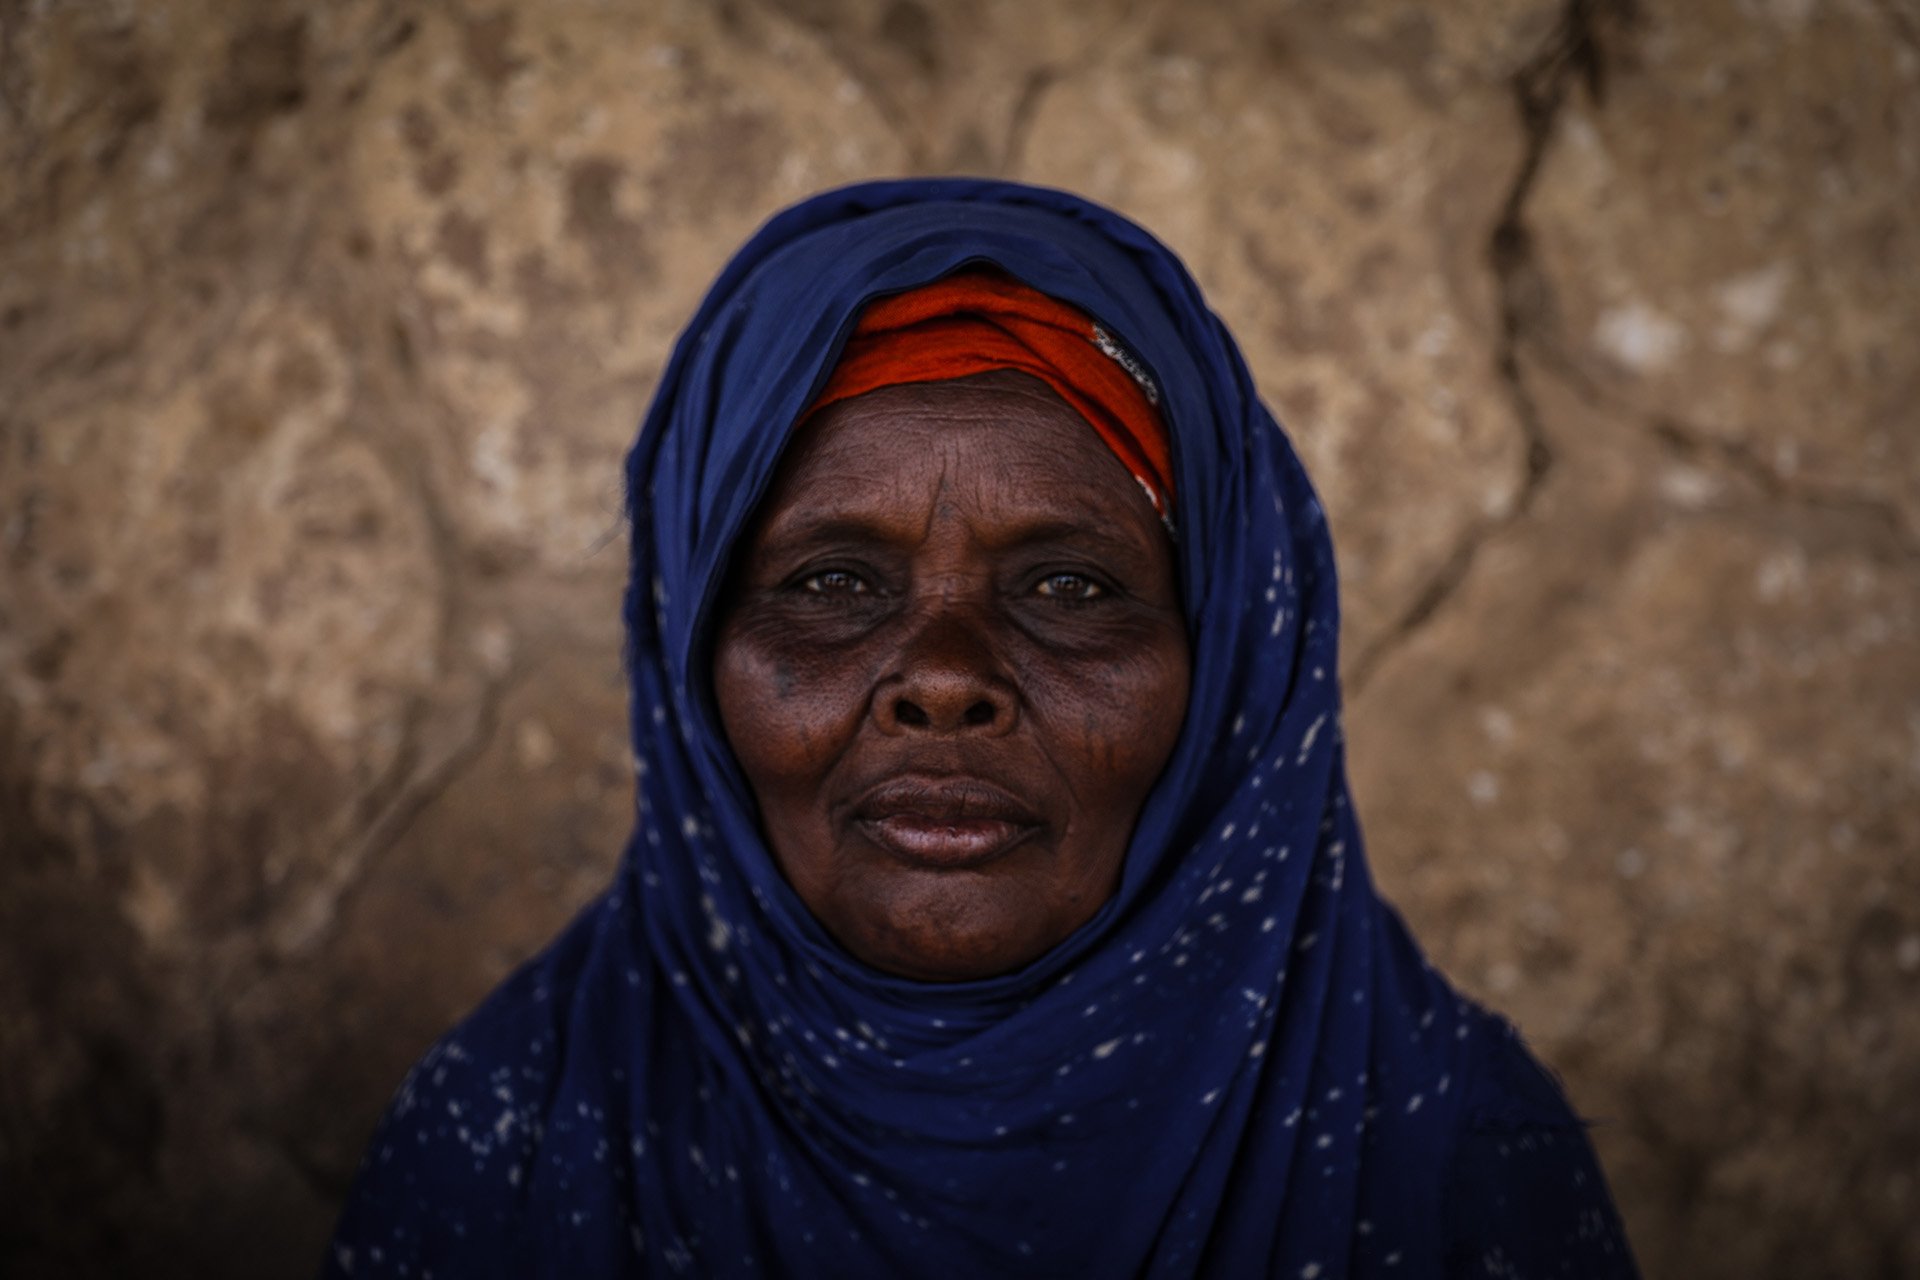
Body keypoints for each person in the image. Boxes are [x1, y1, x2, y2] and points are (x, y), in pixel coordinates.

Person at [324, 179, 1636, 1277]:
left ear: (1235, 675)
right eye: (831, 583)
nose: (944, 679)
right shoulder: (510, 1154)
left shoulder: (1448, 1167)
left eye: (1069, 586)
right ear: (690, 664)